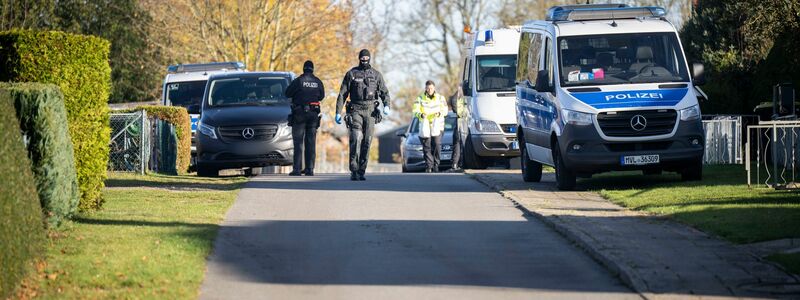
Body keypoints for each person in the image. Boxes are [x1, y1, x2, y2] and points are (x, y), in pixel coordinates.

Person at [335, 49, 391, 181]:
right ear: (359, 58)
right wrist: (338, 111)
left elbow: (384, 92)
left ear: (369, 58)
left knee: (367, 141)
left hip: (371, 110)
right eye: (362, 58)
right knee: (355, 138)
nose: (364, 60)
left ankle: (362, 170)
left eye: (366, 58)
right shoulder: (352, 74)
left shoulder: (376, 75)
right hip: (356, 109)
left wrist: (387, 105)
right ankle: (353, 170)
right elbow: (342, 94)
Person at [285, 60, 325, 176]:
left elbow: (287, 93)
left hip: (299, 114)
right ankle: (309, 169)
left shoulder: (298, 81)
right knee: (311, 142)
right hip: (313, 115)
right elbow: (321, 96)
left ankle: (297, 169)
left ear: (303, 69)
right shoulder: (318, 82)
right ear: (313, 69)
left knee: (298, 143)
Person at [413, 80, 448, 173]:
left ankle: (436, 164)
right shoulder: (420, 98)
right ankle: (429, 166)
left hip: (437, 126)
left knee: (437, 145)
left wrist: (439, 113)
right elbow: (415, 111)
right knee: (426, 147)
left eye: (431, 88)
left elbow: (445, 110)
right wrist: (421, 115)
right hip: (425, 126)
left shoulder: (441, 98)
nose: (429, 90)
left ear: (434, 88)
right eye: (428, 88)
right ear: (425, 88)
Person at [447, 89, 467, 172]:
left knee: (461, 144)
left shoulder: (467, 97)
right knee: (457, 143)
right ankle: (455, 164)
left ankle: (460, 164)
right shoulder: (460, 94)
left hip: (466, 123)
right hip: (460, 123)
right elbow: (453, 100)